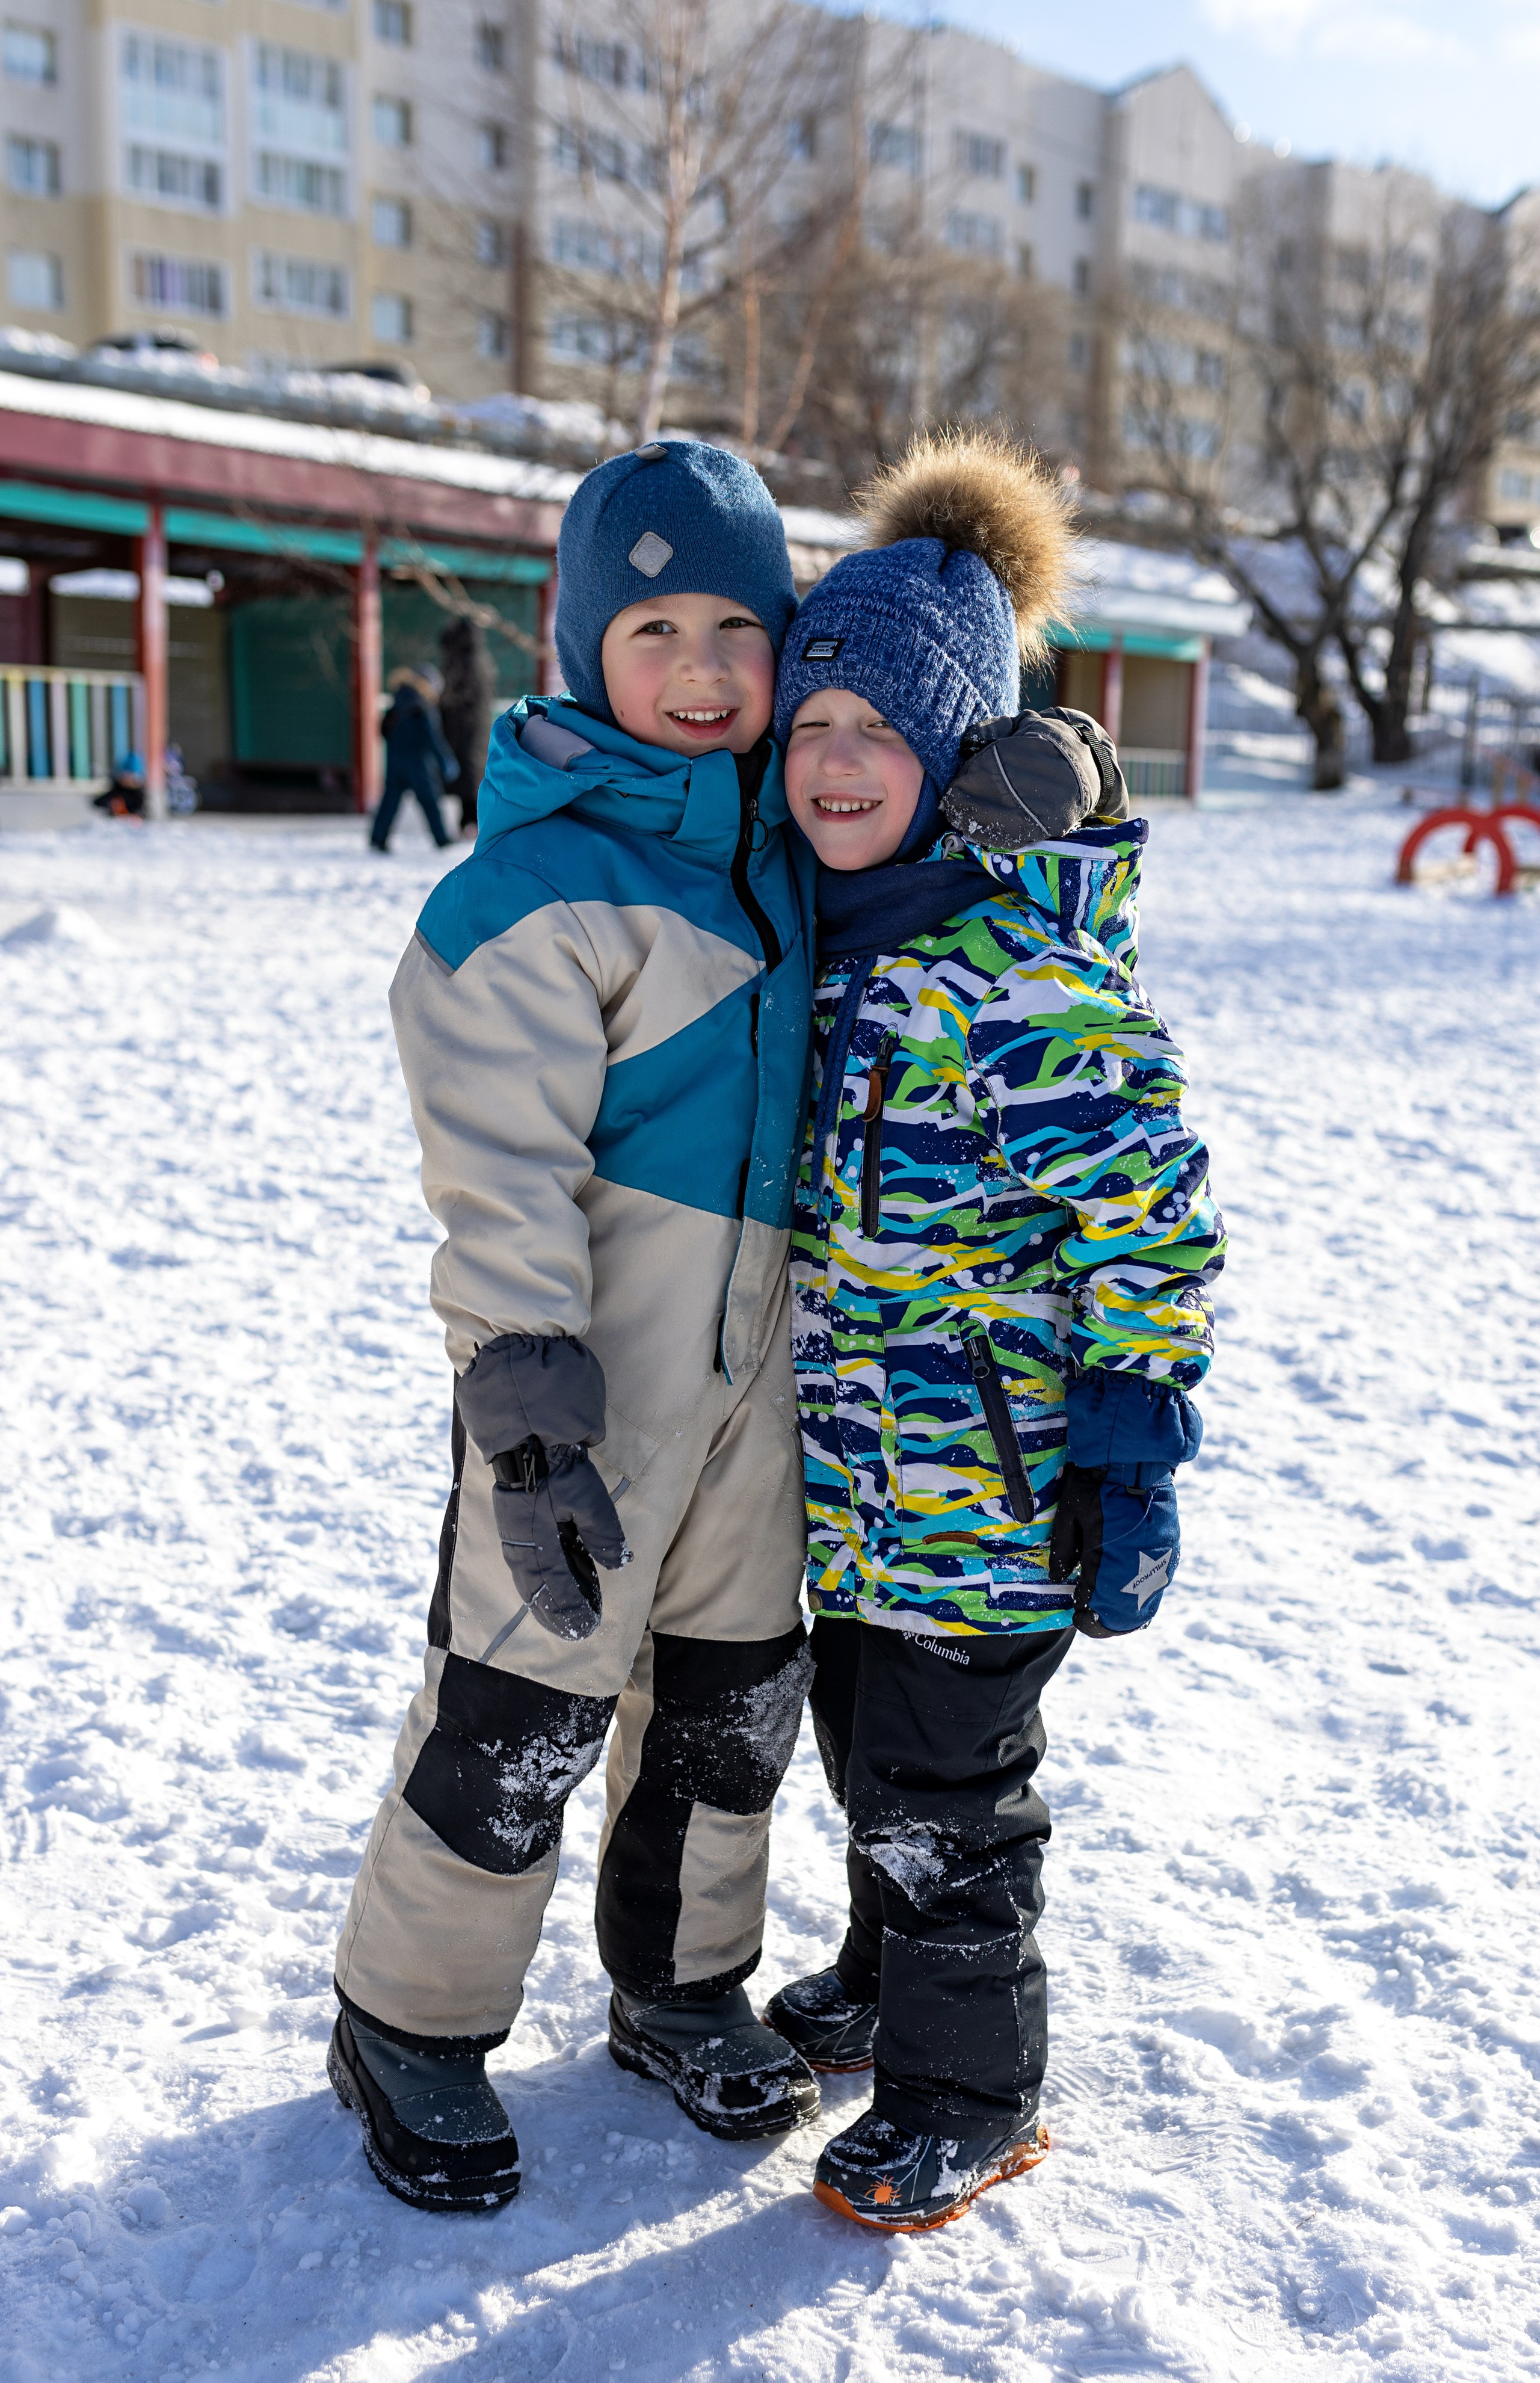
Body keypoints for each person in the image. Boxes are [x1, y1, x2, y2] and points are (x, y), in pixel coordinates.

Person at [329, 440, 822, 2213]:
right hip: (584, 1401)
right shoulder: (534, 896)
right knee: (517, 1706)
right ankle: (410, 2013)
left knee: (730, 1705)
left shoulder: (793, 865)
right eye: (655, 628)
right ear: (579, 643)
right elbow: (499, 1169)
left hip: (754, 1400)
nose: (701, 671)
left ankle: (679, 1986)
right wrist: (525, 1406)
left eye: (738, 630)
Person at [759, 430, 1227, 2231]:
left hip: (993, 1489)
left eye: (877, 732)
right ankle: (890, 1994)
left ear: (955, 752)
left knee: (956, 1799)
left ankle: (975, 2086)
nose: (834, 763)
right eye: (810, 729)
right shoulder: (840, 942)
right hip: (864, 1485)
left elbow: (1145, 1217)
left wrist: (1129, 1445)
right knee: (868, 1755)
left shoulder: (1021, 968)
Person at [370, 667, 460, 851]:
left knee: (390, 802)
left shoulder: (397, 702)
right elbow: (433, 737)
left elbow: (383, 732)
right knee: (430, 802)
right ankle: (442, 838)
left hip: (395, 762)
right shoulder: (423, 705)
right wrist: (445, 761)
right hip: (419, 763)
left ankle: (378, 838)